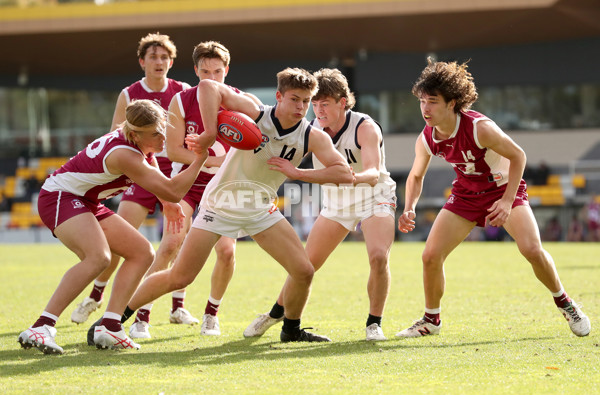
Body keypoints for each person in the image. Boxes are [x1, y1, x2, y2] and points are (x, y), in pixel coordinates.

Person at [113, 67, 354, 345]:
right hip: (221, 203)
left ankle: (291, 329)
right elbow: (207, 86)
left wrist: (299, 173)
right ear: (278, 96)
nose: (300, 107)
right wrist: (210, 133)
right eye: (294, 99)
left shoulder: (312, 136)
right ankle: (115, 318)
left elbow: (344, 173)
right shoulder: (255, 112)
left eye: (305, 100)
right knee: (181, 277)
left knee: (303, 271)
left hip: (260, 208)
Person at [395, 57, 590, 338]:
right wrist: (409, 207)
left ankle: (566, 303)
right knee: (430, 256)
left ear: (451, 103)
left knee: (532, 250)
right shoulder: (426, 138)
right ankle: (431, 320)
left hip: (502, 189)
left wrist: (507, 201)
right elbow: (415, 176)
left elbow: (518, 155)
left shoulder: (479, 127)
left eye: (433, 101)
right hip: (465, 194)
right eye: (422, 101)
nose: (425, 108)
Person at [18, 99, 208, 354]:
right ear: (135, 134)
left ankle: (109, 326)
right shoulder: (125, 153)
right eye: (155, 133)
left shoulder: (137, 143)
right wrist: (199, 159)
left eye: (163, 128)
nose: (163, 136)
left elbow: (155, 171)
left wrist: (166, 203)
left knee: (142, 253)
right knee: (99, 258)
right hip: (60, 197)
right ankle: (42, 326)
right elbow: (174, 190)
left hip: (84, 199)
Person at [243, 68, 397, 341]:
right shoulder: (311, 129)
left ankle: (374, 323)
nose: (317, 109)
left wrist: (346, 178)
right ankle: (274, 314)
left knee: (378, 256)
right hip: (336, 203)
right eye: (314, 103)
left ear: (342, 101)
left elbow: (373, 174)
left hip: (375, 197)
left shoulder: (365, 127)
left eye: (324, 103)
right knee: (304, 265)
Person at [127, 41, 262, 340]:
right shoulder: (180, 100)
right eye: (205, 72)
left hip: (225, 187)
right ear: (195, 71)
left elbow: (256, 145)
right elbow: (174, 152)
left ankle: (211, 316)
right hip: (187, 184)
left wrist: (236, 162)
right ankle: (141, 317)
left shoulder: (241, 101)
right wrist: (212, 159)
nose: (211, 79)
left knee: (226, 252)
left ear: (226, 71)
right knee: (171, 244)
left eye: (217, 72)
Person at [70, 32, 194, 326]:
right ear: (142, 61)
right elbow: (118, 135)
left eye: (164, 57)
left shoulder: (182, 90)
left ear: (171, 61)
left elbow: (188, 134)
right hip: (139, 173)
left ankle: (177, 307)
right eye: (153, 56)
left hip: (172, 173)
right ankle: (96, 296)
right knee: (119, 244)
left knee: (175, 243)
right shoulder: (129, 94)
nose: (159, 61)